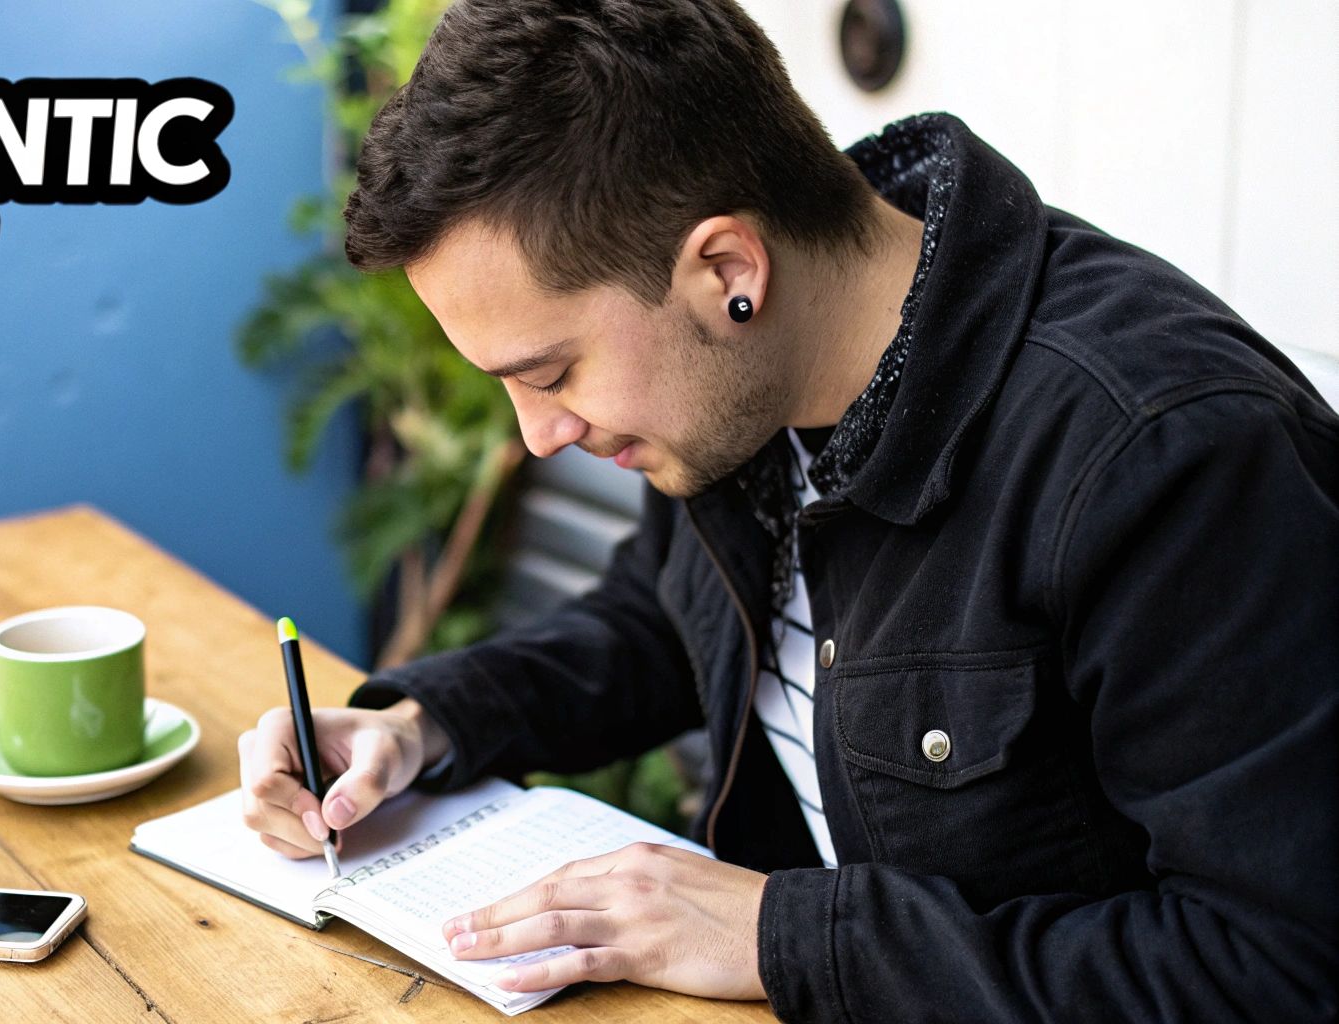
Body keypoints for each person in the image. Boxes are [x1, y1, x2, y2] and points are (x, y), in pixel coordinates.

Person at [236, 0, 1339, 1018]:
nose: (536, 435)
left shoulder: (1165, 457)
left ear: (726, 270)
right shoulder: (749, 378)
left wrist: (784, 936)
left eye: (551, 370)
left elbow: (1278, 968)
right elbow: (669, 619)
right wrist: (422, 724)